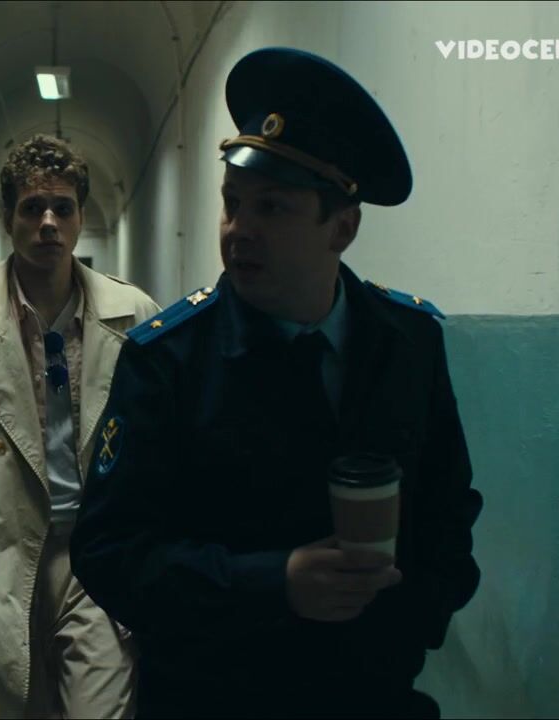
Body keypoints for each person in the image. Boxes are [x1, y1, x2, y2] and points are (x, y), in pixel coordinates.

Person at [70, 48, 483, 718]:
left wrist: (407, 624)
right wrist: (272, 583)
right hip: (216, 699)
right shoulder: (169, 360)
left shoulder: (409, 343)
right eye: (232, 204)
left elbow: (448, 509)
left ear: (342, 227)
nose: (240, 231)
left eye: (272, 208)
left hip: (371, 697)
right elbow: (108, 552)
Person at [0, 134, 159, 719]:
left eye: (62, 208)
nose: (48, 223)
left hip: (94, 558)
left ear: (80, 217)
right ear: (7, 218)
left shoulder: (137, 318)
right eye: (32, 208)